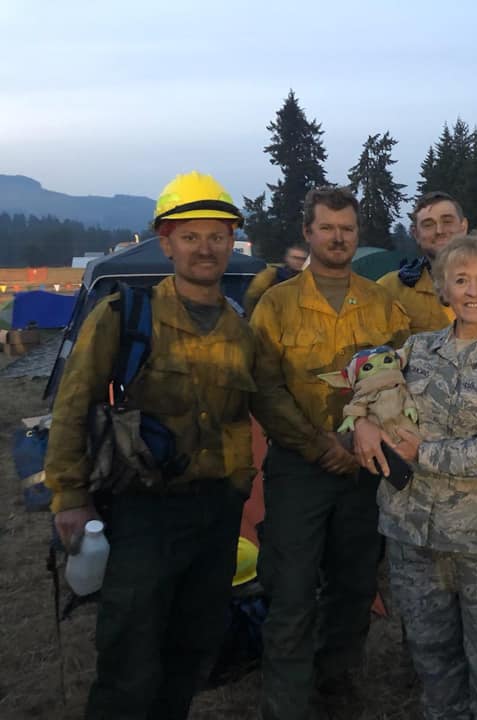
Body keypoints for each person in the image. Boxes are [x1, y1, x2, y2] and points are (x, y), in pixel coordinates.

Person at [44, 171, 256, 718]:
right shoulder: (123, 316)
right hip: (143, 512)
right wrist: (69, 497)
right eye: (191, 236)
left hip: (216, 513)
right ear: (165, 242)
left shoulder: (239, 328)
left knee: (191, 651)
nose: (205, 248)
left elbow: (259, 408)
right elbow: (71, 407)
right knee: (129, 661)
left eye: (216, 235)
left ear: (231, 241)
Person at [355, 233, 477, 720]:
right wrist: (360, 424)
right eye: (461, 280)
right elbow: (368, 391)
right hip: (413, 533)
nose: (474, 290)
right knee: (431, 651)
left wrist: (424, 452)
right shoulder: (415, 350)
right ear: (443, 289)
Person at [250, 186, 410, 720]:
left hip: (366, 470)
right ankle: (286, 703)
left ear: (357, 233)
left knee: (355, 583)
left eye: (347, 228)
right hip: (299, 468)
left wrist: (366, 434)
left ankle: (336, 683)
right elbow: (265, 390)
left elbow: (399, 377)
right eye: (327, 227)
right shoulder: (276, 305)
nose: (337, 237)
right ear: (308, 232)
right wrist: (321, 446)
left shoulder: (384, 304)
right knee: (292, 591)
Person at [378, 191, 477, 342]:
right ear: (416, 234)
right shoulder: (389, 290)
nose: (439, 231)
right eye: (428, 224)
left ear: (463, 226)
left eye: (447, 221)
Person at [242, 242, 308, 316]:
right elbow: (252, 296)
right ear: (287, 258)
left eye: (302, 259)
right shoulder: (271, 274)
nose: (298, 262)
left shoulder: (307, 279)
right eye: (295, 258)